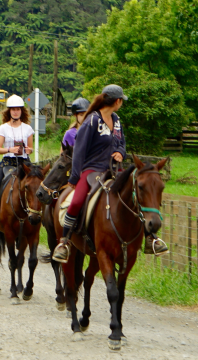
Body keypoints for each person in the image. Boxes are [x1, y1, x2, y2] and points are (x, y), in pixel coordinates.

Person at [52, 85, 127, 262]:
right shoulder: (92, 120)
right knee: (76, 201)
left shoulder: (116, 120)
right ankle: (64, 242)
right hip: (92, 170)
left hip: (114, 170)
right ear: (117, 101)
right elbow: (78, 150)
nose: (122, 103)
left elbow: (122, 142)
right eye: (122, 100)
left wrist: (120, 153)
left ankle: (149, 237)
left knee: (133, 195)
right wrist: (75, 177)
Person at [0, 95, 34, 225]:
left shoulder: (27, 128)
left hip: (24, 162)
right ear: (9, 111)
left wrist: (28, 150)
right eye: (13, 109)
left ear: (22, 111)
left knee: (37, 182)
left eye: (18, 109)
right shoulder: (3, 128)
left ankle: (39, 212)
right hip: (8, 162)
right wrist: (10, 149)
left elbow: (31, 148)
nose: (16, 111)